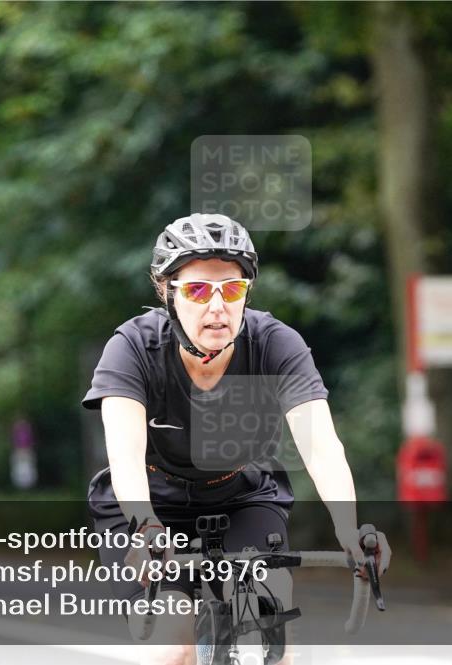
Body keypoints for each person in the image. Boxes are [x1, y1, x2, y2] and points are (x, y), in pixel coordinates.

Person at [83, 213, 388, 665]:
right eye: (199, 290)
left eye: (232, 290)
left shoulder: (275, 344)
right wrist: (145, 527)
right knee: (173, 647)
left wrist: (349, 528)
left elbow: (322, 448)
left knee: (272, 626)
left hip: (240, 497)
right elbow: (124, 455)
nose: (217, 306)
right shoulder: (132, 348)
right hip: (150, 503)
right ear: (168, 293)